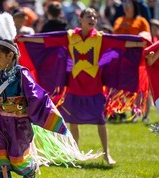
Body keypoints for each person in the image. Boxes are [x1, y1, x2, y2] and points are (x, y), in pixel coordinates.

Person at [0, 12, 101, 178]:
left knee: (17, 159)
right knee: (1, 159)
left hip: (19, 125)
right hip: (0, 122)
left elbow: (36, 96)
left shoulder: (21, 74)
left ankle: (30, 168)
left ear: (10, 55)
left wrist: (22, 108)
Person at [17, 8, 148, 165]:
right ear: (80, 20)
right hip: (74, 86)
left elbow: (120, 42)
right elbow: (47, 40)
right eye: (88, 16)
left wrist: (139, 43)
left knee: (101, 121)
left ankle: (107, 154)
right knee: (73, 122)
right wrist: (26, 40)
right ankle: (75, 152)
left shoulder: (100, 38)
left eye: (94, 16)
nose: (92, 18)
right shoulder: (70, 36)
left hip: (95, 87)